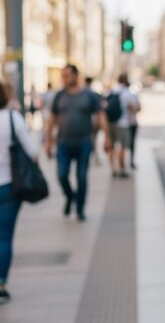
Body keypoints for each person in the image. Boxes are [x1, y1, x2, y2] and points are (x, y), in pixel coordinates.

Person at [44, 65, 109, 221]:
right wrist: (48, 141)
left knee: (81, 177)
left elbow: (100, 116)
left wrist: (107, 137)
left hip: (83, 142)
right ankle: (70, 196)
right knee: (62, 175)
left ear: (75, 76)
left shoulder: (89, 96)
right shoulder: (59, 96)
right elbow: (51, 120)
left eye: (67, 76)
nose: (65, 79)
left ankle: (80, 208)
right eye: (63, 76)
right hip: (63, 143)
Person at [0, 81, 36, 304]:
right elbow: (32, 152)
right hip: (9, 187)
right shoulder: (12, 119)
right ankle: (1, 284)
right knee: (4, 237)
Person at [106, 73, 140, 178]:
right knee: (122, 147)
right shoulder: (128, 93)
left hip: (110, 123)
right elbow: (135, 107)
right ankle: (121, 169)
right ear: (126, 81)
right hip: (123, 123)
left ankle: (113, 169)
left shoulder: (111, 91)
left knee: (112, 147)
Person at [84, 77, 102, 166]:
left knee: (89, 139)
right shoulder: (94, 94)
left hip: (87, 122)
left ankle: (91, 157)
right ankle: (95, 157)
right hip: (93, 121)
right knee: (94, 139)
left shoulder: (84, 94)